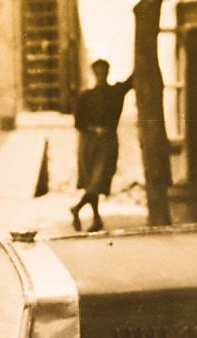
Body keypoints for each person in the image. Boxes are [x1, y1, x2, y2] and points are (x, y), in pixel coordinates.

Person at [71, 59, 133, 232]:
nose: (101, 75)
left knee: (99, 178)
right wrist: (93, 128)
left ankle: (77, 208)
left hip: (108, 142)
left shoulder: (115, 92)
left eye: (104, 72)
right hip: (89, 142)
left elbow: (132, 81)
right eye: (98, 72)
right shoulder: (85, 96)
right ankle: (96, 219)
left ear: (108, 72)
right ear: (93, 73)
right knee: (93, 181)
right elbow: (78, 122)